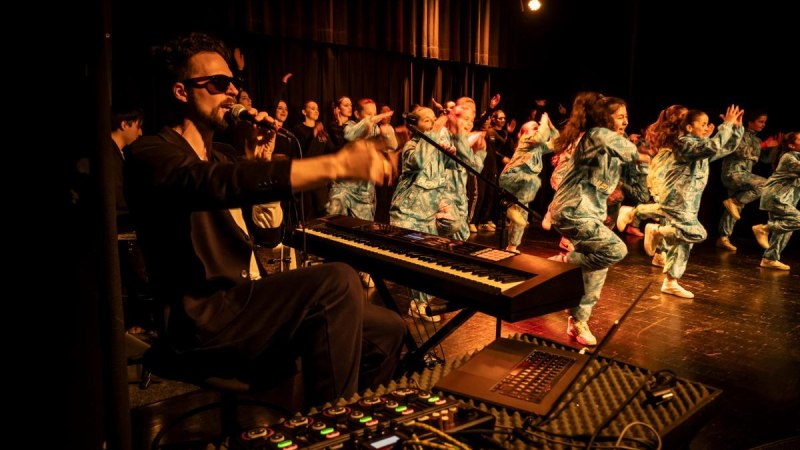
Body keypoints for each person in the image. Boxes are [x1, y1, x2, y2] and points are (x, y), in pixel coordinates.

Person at [124, 32, 405, 407]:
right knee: (336, 280)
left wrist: (256, 164)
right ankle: (333, 433)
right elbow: (206, 184)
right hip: (202, 319)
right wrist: (334, 165)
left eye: (234, 85)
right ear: (181, 92)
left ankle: (326, 420)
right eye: (219, 84)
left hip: (247, 302)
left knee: (389, 329)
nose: (232, 94)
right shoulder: (151, 153)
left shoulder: (224, 157)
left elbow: (267, 233)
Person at [547, 95, 644, 346]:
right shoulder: (592, 136)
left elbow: (634, 181)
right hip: (575, 210)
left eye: (626, 116)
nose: (626, 121)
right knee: (615, 249)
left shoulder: (612, 145)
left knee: (598, 267)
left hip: (594, 214)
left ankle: (578, 319)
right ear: (604, 117)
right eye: (620, 116)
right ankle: (563, 264)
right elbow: (559, 176)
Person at [639, 106, 745, 298]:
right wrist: (726, 126)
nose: (706, 128)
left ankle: (671, 282)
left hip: (690, 202)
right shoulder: (685, 144)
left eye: (707, 124)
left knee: (683, 242)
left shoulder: (699, 147)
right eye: (702, 124)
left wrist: (736, 128)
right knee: (696, 233)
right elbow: (713, 146)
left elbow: (724, 147)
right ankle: (657, 231)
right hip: (678, 198)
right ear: (688, 127)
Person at [498, 114, 558, 253]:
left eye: (538, 127)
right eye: (534, 128)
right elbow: (540, 137)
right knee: (533, 181)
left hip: (523, 185)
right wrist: (543, 122)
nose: (537, 129)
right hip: (511, 177)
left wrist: (551, 125)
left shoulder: (539, 147)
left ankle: (512, 246)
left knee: (521, 215)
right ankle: (512, 209)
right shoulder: (526, 141)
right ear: (522, 134)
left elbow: (557, 142)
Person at [716, 110, 770, 251]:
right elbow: (739, 151)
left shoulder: (757, 140)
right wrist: (762, 146)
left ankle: (723, 238)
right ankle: (734, 202)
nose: (763, 125)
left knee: (734, 210)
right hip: (734, 173)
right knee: (764, 184)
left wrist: (773, 147)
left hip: (745, 175)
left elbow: (764, 159)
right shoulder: (740, 133)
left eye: (764, 122)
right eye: (760, 121)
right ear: (750, 121)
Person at [757, 131, 799, 270]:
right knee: (797, 220)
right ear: (792, 145)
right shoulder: (789, 157)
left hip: (784, 198)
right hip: (776, 197)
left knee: (784, 229)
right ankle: (763, 228)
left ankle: (769, 258)